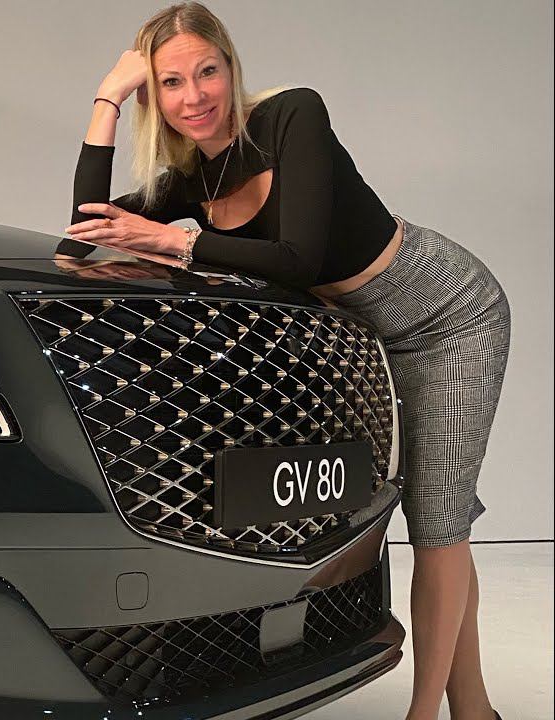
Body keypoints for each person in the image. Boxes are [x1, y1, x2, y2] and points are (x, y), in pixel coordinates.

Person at [57, 4, 511, 719]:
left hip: (450, 314)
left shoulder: (293, 115)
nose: (194, 96)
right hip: (369, 338)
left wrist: (177, 242)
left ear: (231, 68)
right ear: (155, 97)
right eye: (170, 82)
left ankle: (426, 713)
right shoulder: (191, 180)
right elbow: (83, 233)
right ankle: (475, 708)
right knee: (440, 514)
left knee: (436, 522)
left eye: (208, 72)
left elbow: (297, 257)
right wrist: (108, 98)